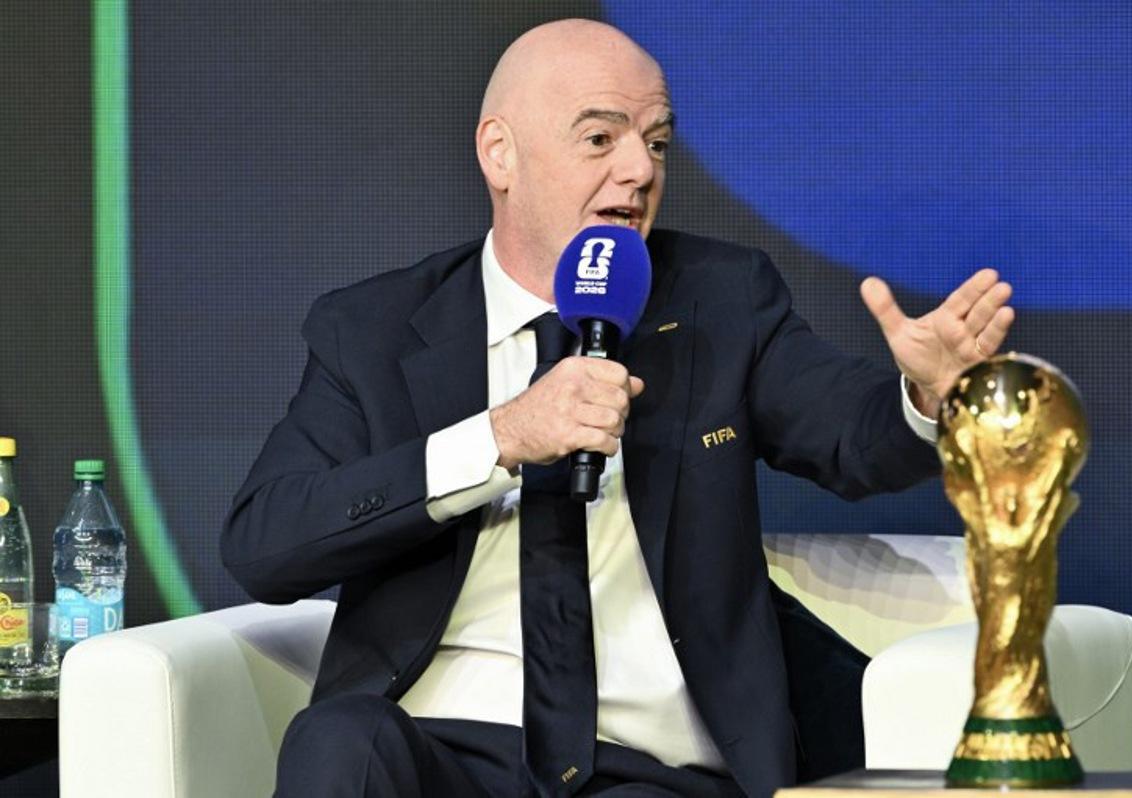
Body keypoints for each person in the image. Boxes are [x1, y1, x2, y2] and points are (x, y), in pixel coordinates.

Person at [221, 18, 1015, 798]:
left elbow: (851, 436)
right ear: (501, 154)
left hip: (644, 766)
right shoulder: (375, 329)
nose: (639, 170)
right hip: (434, 747)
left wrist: (925, 396)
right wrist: (501, 437)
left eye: (657, 142)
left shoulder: (719, 301)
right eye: (601, 138)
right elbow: (265, 543)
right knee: (339, 741)